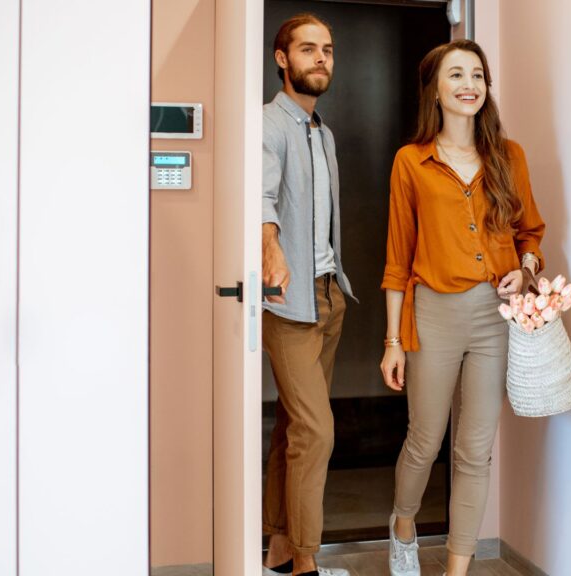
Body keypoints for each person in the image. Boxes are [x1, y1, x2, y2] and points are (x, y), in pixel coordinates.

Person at [379, 39, 545, 576]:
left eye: (477, 74)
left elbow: (530, 233)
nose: (469, 84)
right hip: (433, 314)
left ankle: (457, 570)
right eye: (456, 74)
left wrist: (526, 268)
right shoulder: (411, 162)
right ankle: (404, 524)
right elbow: (397, 260)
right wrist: (392, 342)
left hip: (496, 317)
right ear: (435, 89)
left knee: (475, 450)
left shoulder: (509, 156)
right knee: (425, 440)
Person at [261, 13, 355, 576]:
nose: (321, 58)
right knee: (317, 431)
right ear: (282, 59)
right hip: (288, 303)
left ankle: (277, 545)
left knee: (292, 427)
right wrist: (270, 248)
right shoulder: (267, 125)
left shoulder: (324, 133)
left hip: (328, 296)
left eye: (328, 49)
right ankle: (306, 561)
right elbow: (261, 197)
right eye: (307, 49)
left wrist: (333, 282)